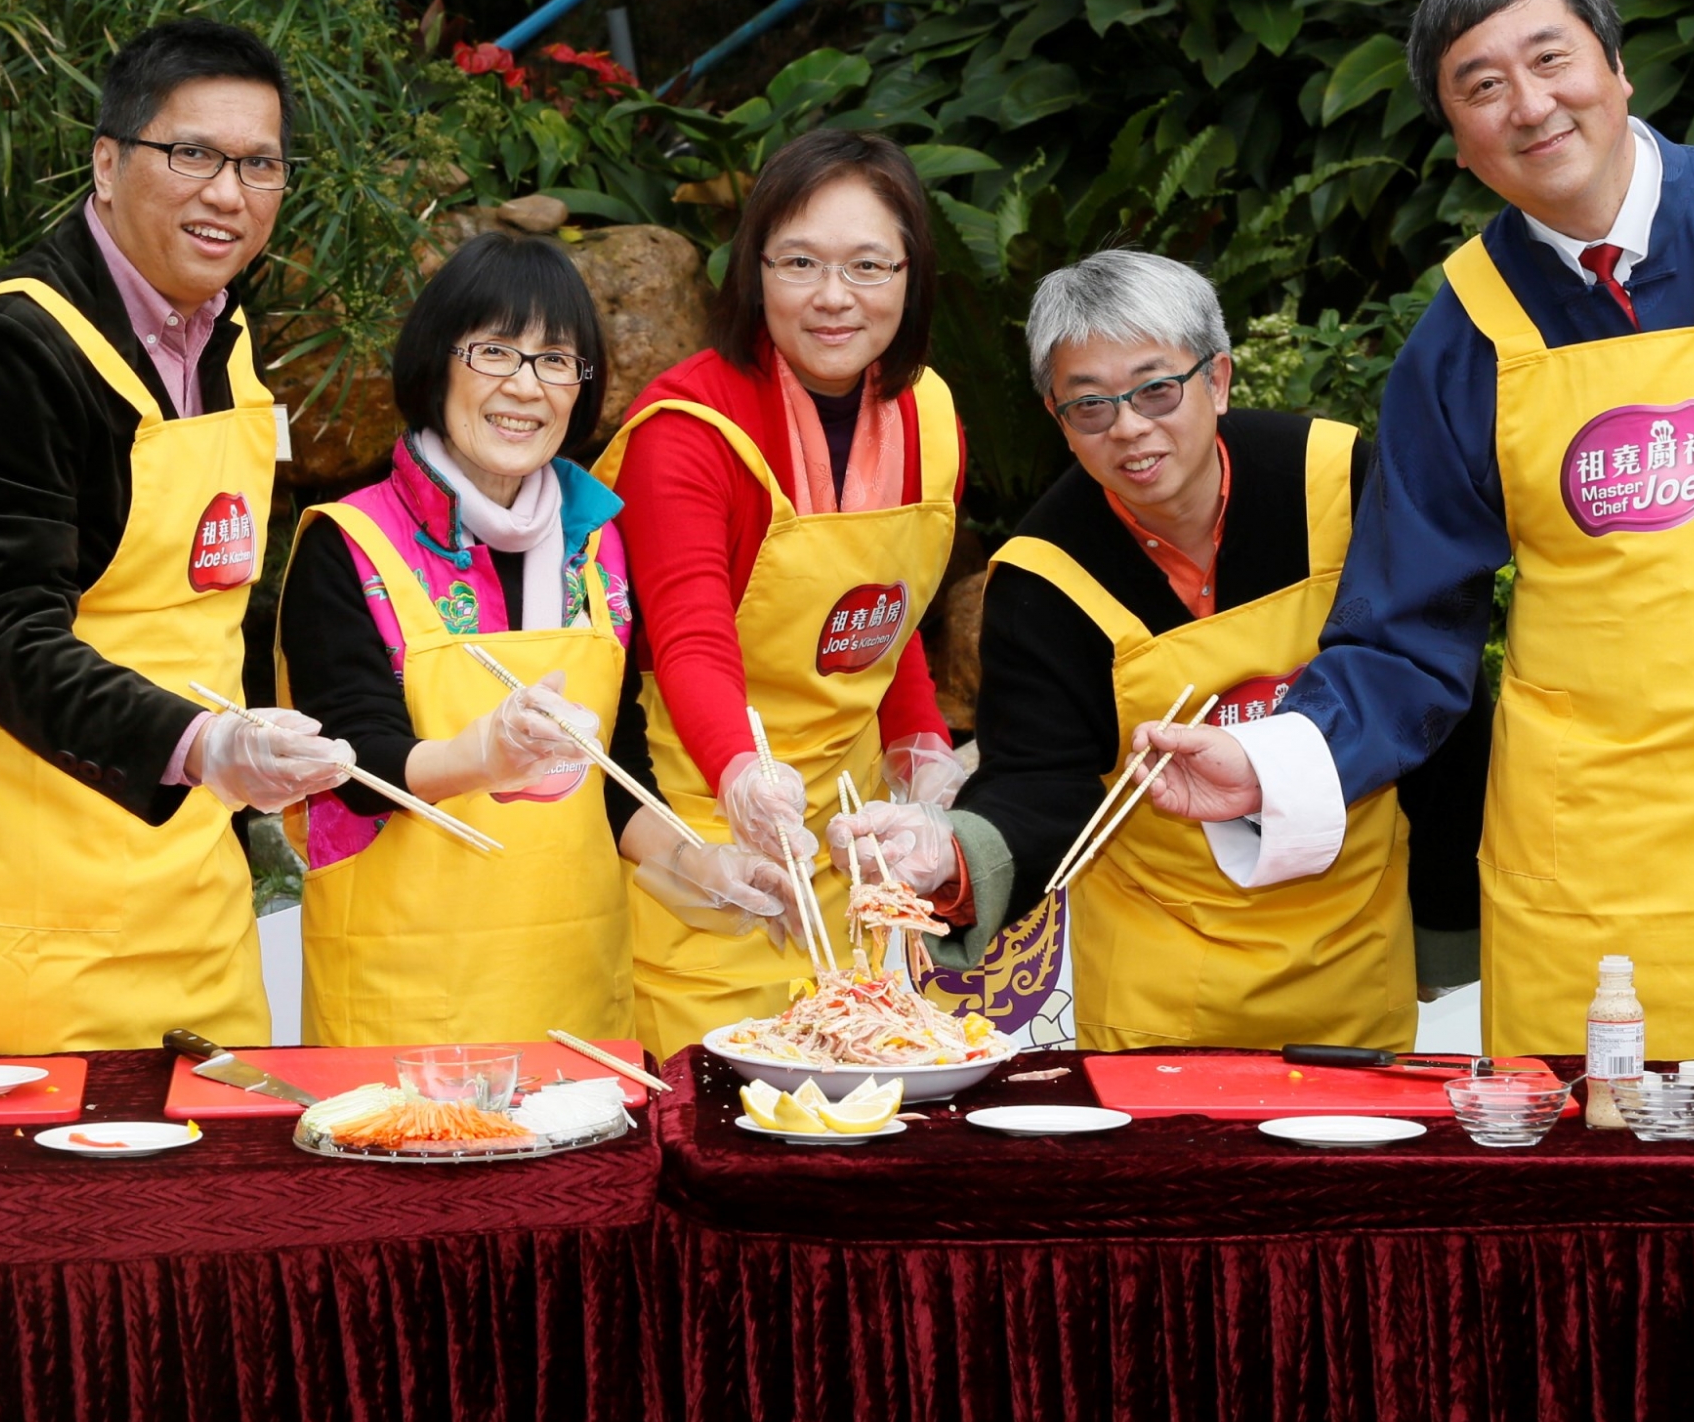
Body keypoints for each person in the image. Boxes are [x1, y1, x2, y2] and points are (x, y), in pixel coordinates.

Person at [1132, 0, 1694, 1059]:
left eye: (1550, 58)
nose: (1530, 104)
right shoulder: (1467, 329)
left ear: (1617, 67)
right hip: (1583, 870)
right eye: (1482, 87)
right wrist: (1275, 758)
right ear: (1463, 145)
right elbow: (1406, 628)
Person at [0, 18, 356, 1057]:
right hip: (23, 921)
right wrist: (209, 744)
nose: (229, 192)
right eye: (193, 154)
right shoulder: (11, 350)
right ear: (107, 159)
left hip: (195, 902)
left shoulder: (227, 339)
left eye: (260, 163)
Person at [272, 232, 801, 1046]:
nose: (526, 386)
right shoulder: (348, 541)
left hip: (574, 997)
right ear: (435, 363)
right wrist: (485, 757)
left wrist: (698, 862)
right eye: (494, 352)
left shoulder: (599, 548)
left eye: (556, 361)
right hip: (404, 1009)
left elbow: (615, 772)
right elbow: (351, 768)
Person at [956, 252, 1491, 1051]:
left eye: (1156, 388)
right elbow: (1041, 783)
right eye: (1090, 407)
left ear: (1218, 380)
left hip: (1357, 967)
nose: (1130, 427)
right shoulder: (1044, 573)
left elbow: (1434, 700)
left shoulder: (1337, 481)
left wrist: (1450, 928)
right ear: (1057, 421)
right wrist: (955, 855)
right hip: (1161, 997)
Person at [597, 129, 994, 1060]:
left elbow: (883, 627)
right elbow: (690, 641)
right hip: (706, 844)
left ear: (911, 274)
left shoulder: (932, 413)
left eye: (867, 265)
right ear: (753, 270)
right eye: (801, 262)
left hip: (860, 852)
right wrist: (741, 774)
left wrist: (923, 751)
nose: (832, 297)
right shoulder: (687, 430)